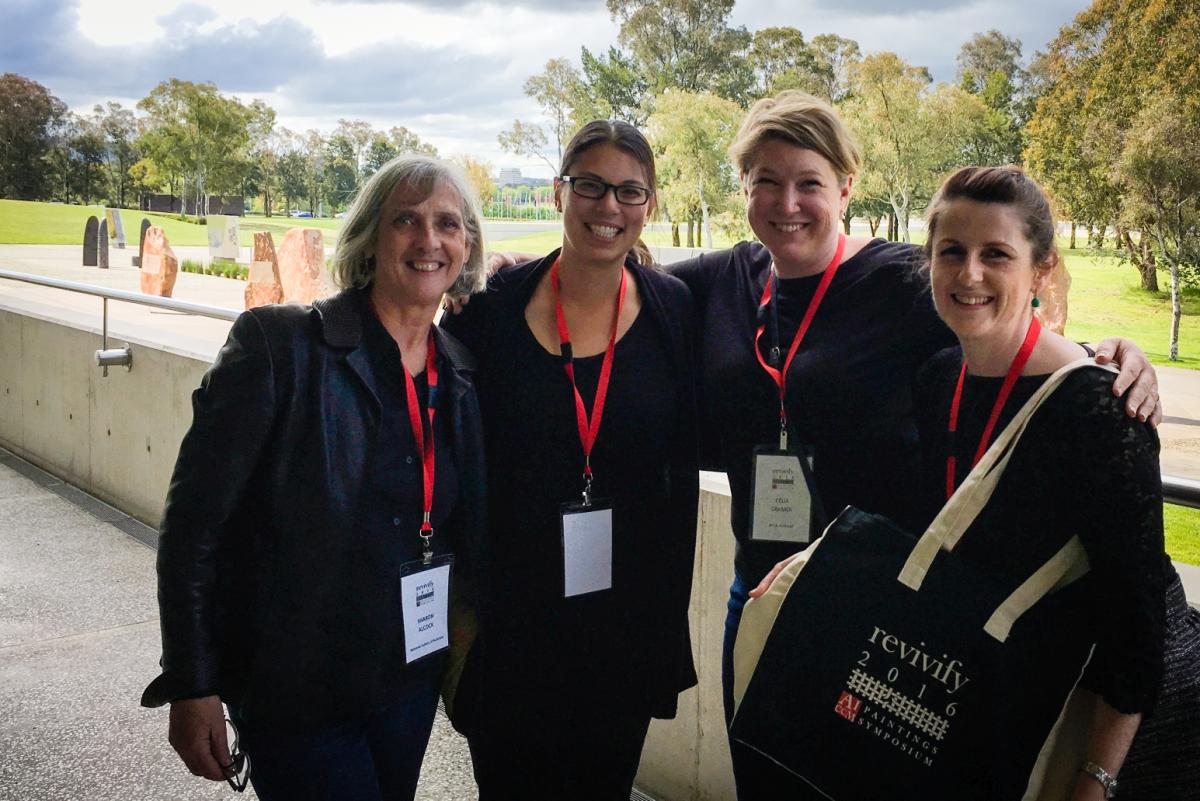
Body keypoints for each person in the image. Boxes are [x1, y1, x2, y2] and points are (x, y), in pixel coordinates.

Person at [141, 155, 489, 801]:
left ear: (467, 244)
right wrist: (191, 683)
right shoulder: (282, 347)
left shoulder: (460, 373)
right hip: (298, 685)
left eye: (448, 223)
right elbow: (194, 529)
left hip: (408, 678)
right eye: (405, 220)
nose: (428, 240)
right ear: (369, 237)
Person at [910, 166, 1199, 800]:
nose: (969, 275)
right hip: (998, 693)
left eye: (997, 256)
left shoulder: (1100, 409)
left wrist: (1095, 780)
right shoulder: (937, 380)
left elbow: (1137, 621)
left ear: (1040, 271)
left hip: (1091, 722)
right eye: (951, 252)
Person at [441, 119, 699, 800]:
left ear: (650, 205)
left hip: (623, 629)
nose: (608, 207)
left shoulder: (674, 311)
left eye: (628, 191)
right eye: (590, 186)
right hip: (511, 628)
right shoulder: (489, 310)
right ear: (559, 193)